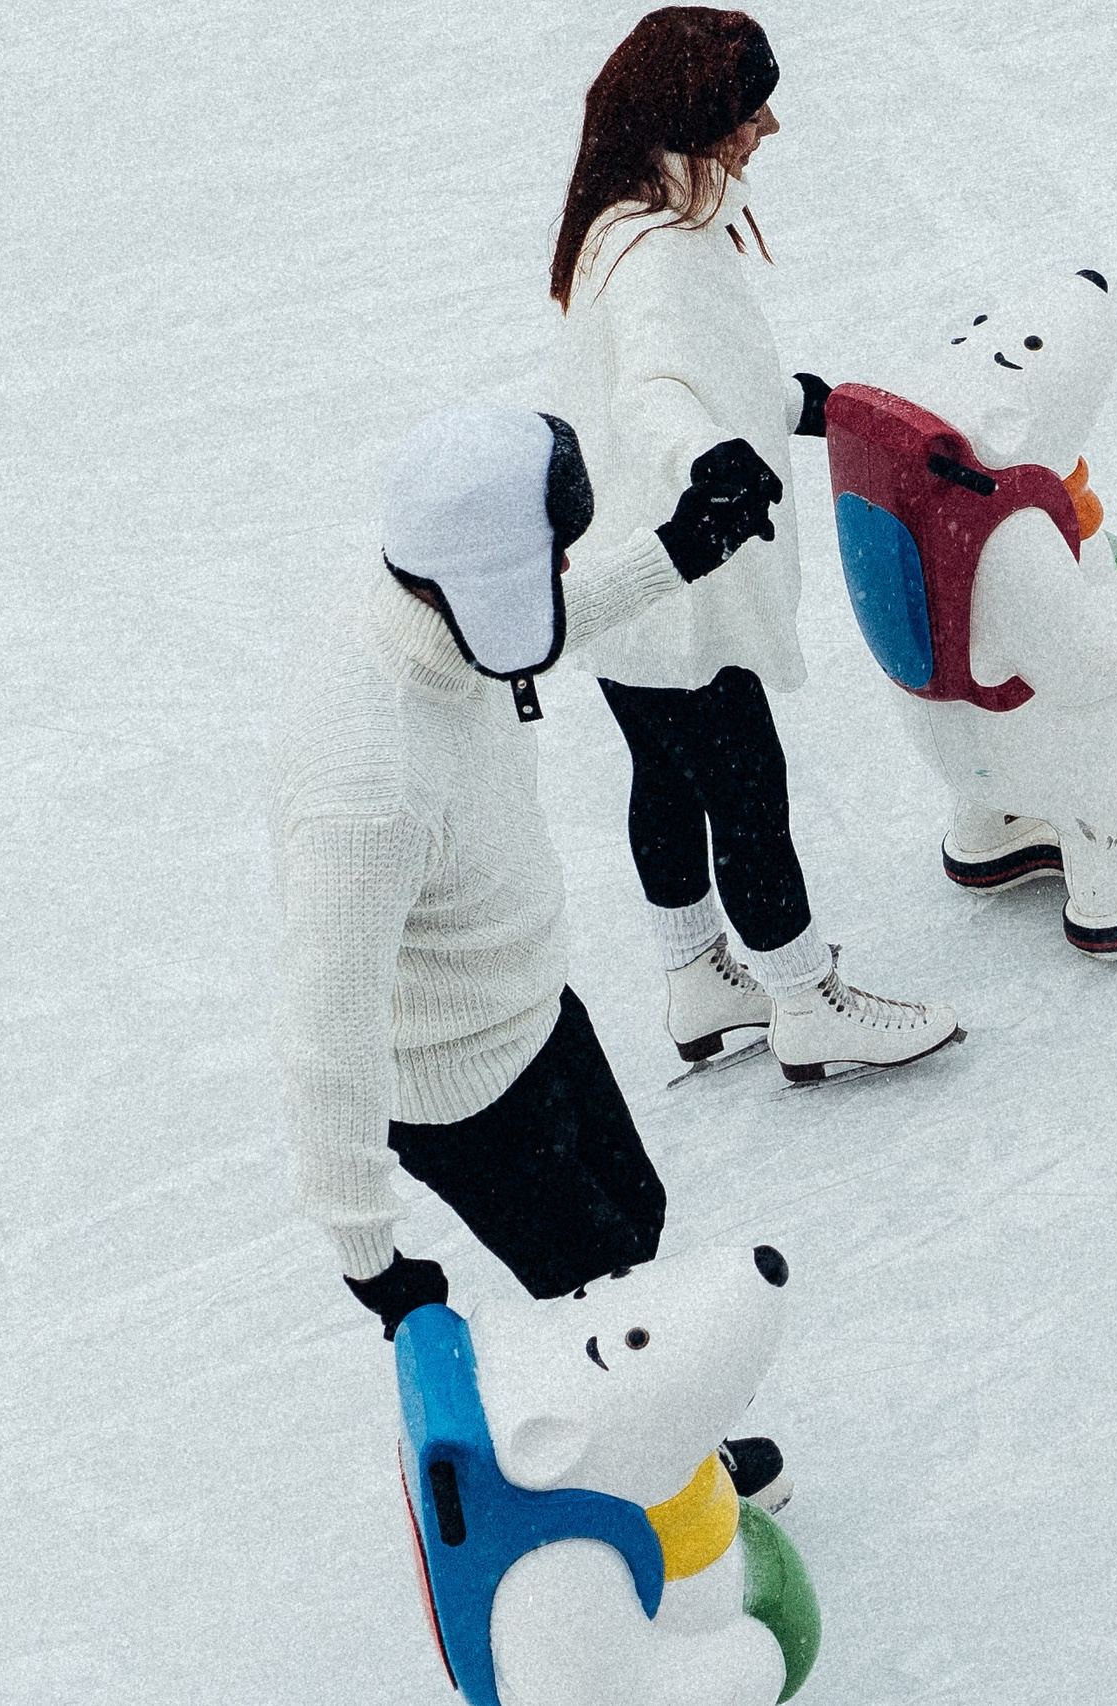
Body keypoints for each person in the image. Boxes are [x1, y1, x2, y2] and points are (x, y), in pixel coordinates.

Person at [271, 403, 788, 1500]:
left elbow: (534, 622)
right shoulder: (368, 790)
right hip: (462, 1097)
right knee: (597, 1293)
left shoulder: (437, 623)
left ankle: (661, 1441)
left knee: (634, 1220)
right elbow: (327, 1028)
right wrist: (371, 1254)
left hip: (533, 1009)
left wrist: (682, 548)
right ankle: (658, 1487)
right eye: (550, 546)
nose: (562, 564)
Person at [549, 7, 961, 1083]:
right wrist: (711, 463)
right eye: (748, 105)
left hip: (618, 578)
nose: (768, 124)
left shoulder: (618, 226)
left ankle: (696, 975)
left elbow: (688, 369)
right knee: (745, 788)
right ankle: (800, 995)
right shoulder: (659, 254)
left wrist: (786, 404)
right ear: (695, 116)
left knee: (666, 775)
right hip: (681, 575)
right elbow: (654, 390)